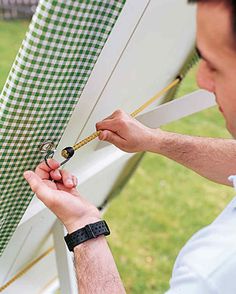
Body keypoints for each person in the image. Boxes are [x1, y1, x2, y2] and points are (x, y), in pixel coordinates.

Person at [24, 0, 236, 293]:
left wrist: (82, 222)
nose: (200, 79)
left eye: (214, 63)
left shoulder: (213, 272)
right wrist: (154, 140)